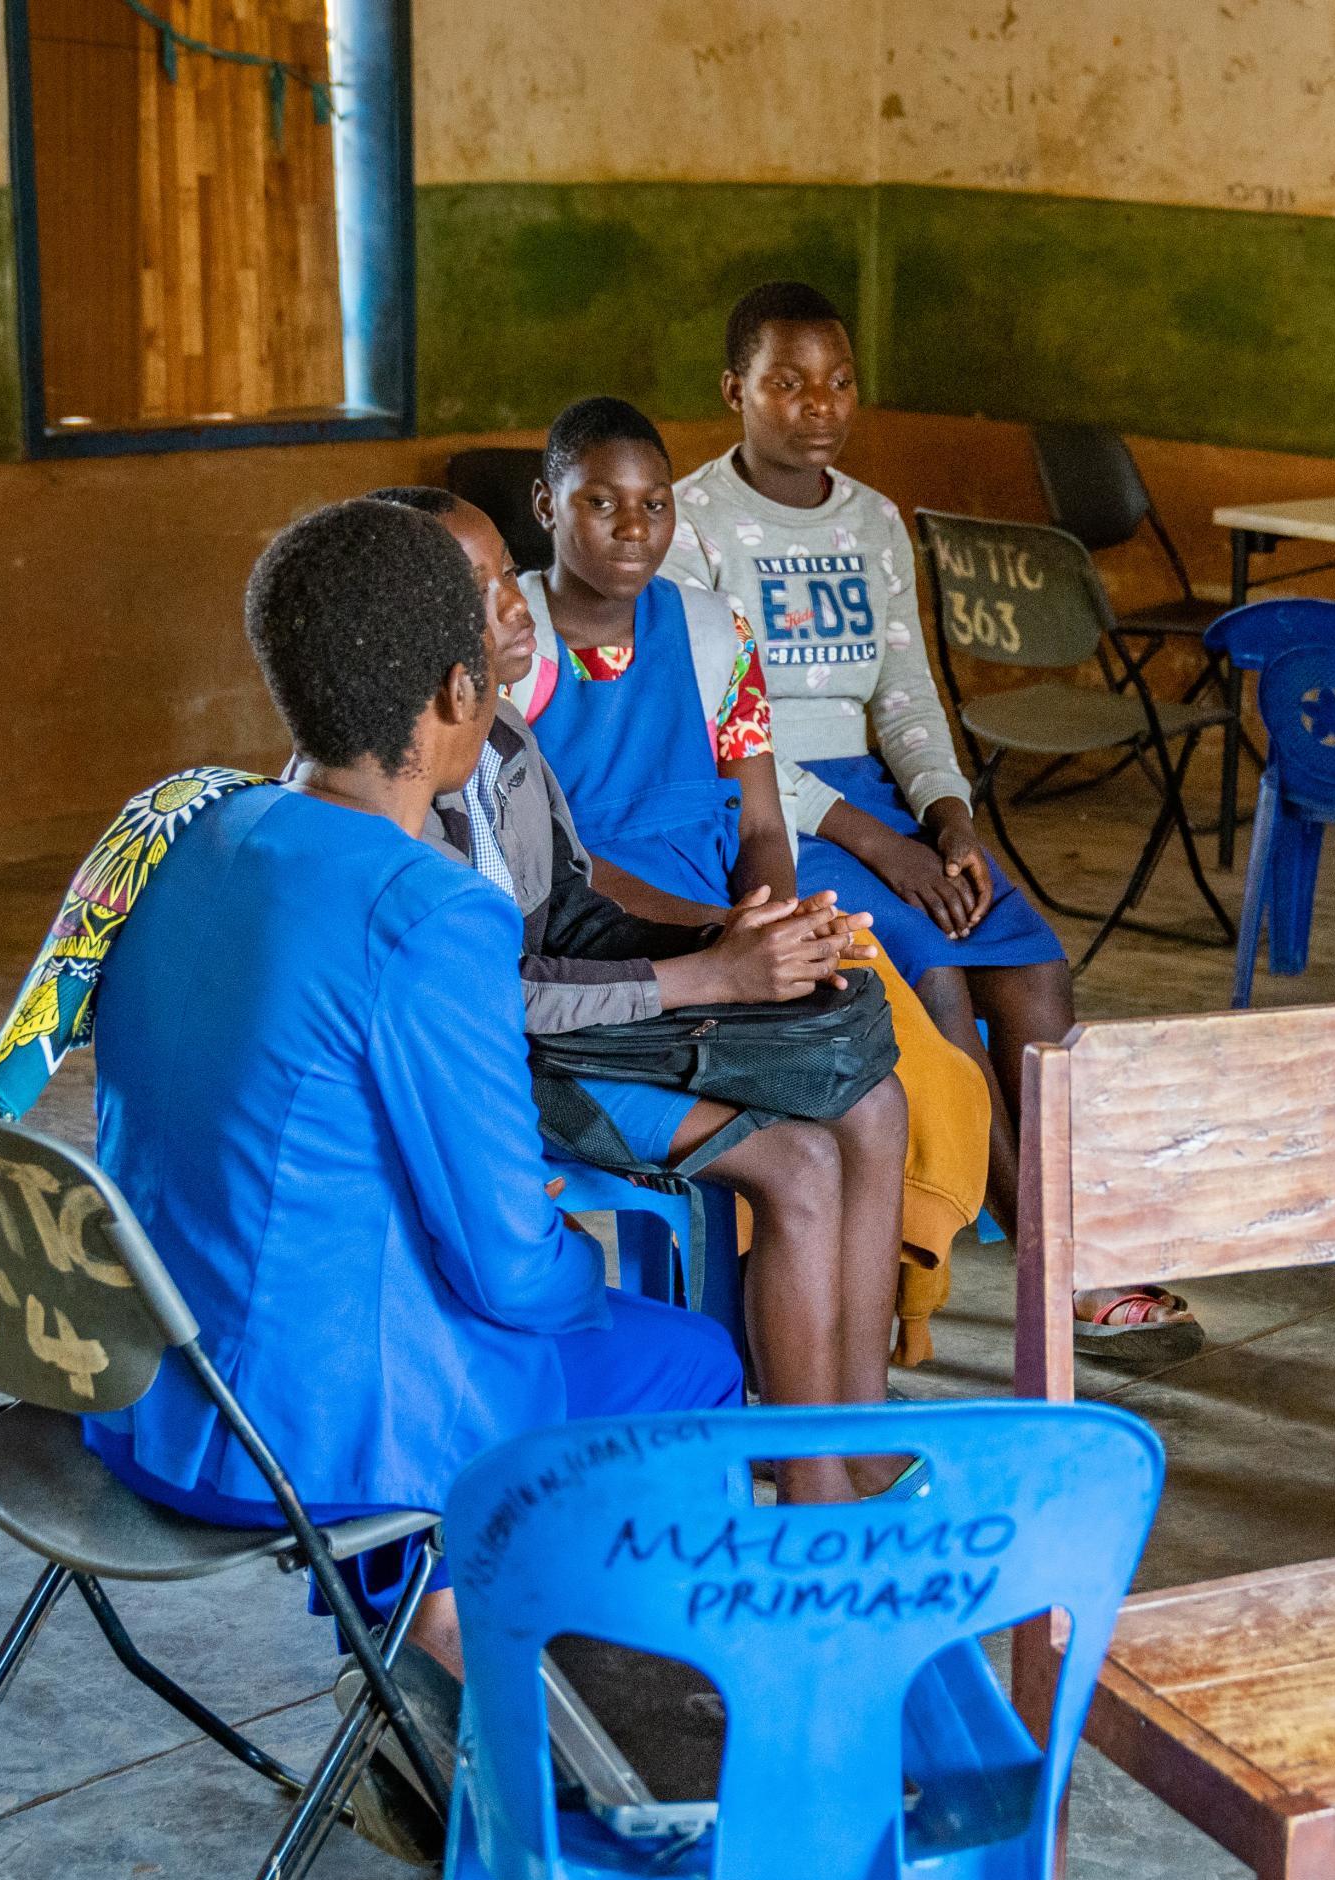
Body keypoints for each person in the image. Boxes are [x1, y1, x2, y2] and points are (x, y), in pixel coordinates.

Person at [66, 497, 748, 1847]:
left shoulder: (183, 831)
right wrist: (560, 1252)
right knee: (685, 1363)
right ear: (457, 691)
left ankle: (427, 1674)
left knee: (434, 1321)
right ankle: (595, 1772)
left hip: (134, 1382)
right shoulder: (432, 911)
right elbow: (510, 1269)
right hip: (290, 1439)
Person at [662, 281, 1203, 1360]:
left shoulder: (870, 518)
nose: (819, 405)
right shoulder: (688, 524)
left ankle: (1065, 1211)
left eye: (840, 382)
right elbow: (723, 732)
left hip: (874, 796)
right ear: (735, 391)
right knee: (936, 969)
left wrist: (950, 819)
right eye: (787, 382)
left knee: (1033, 966)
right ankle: (1071, 1263)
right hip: (764, 803)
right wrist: (881, 847)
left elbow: (904, 698)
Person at [344, 485, 910, 1413]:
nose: (515, 608)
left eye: (503, 578)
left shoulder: (504, 736)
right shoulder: (395, 804)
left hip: (580, 1028)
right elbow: (490, 1002)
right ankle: (809, 1478)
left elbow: (569, 898)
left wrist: (726, 933)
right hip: (505, 1076)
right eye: (482, 592)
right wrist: (700, 977)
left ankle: (856, 1419)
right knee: (800, 1161)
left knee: (874, 1100)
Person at [507, 402, 999, 1368]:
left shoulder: (707, 630)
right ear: (546, 506)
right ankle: (796, 1397)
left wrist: (771, 917)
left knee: (897, 1077)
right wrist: (716, 939)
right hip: (604, 950)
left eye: (653, 506)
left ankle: (852, 1403)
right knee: (828, 1096)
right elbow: (550, 864)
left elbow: (765, 822)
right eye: (600, 502)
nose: (632, 529)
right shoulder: (514, 642)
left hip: (724, 927)